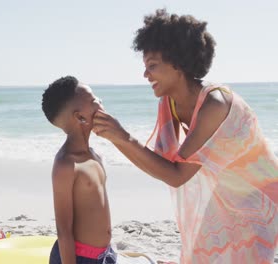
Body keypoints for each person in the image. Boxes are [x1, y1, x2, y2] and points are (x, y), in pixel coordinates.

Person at [92, 9, 278, 263]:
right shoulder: (170, 102)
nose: (146, 75)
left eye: (152, 66)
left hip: (256, 195)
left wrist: (121, 136)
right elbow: (162, 166)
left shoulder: (215, 104)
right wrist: (113, 136)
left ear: (178, 64)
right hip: (224, 189)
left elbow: (177, 175)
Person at [42, 76, 117, 264]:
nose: (100, 101)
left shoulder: (94, 155)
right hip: (79, 258)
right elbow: (64, 229)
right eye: (93, 101)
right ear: (80, 117)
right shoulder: (66, 164)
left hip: (104, 255)